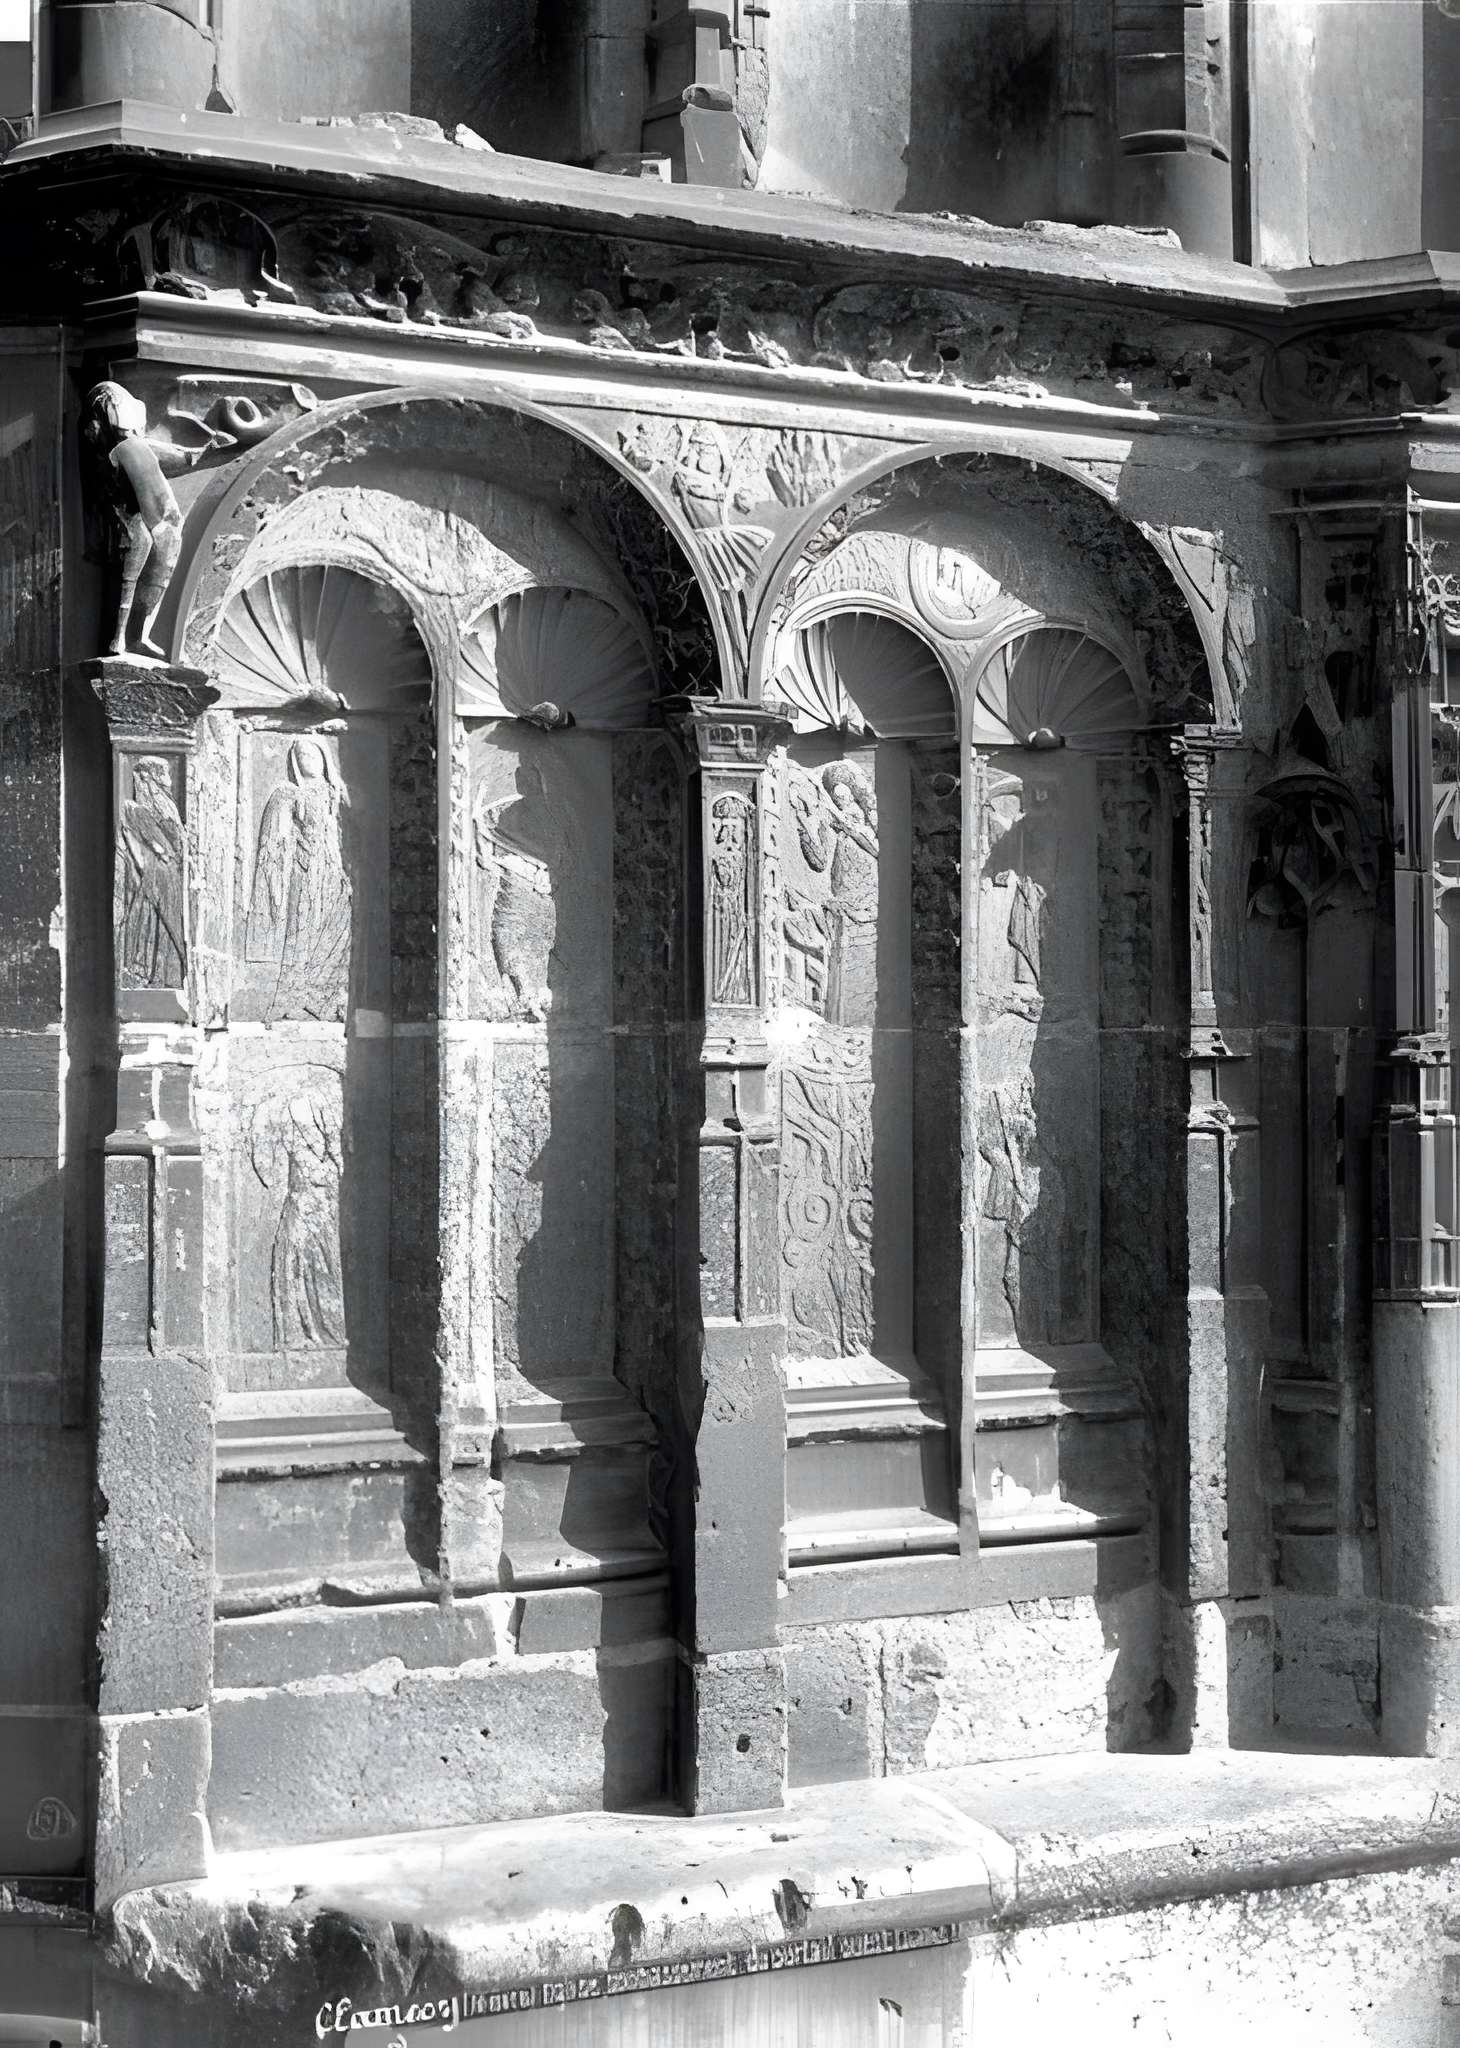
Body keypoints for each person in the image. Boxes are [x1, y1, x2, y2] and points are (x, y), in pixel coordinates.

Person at [82, 381, 223, 659]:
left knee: (161, 570)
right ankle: (119, 638)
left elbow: (183, 457)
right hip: (137, 516)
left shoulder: (137, 445)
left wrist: (206, 451)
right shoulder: (121, 449)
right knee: (134, 567)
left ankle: (139, 635)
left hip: (163, 518)